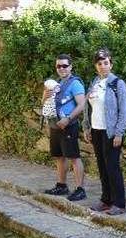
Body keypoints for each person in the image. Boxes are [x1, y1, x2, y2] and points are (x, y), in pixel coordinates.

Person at [84, 48, 126, 216]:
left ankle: (119, 203)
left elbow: (124, 110)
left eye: (106, 63)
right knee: (102, 167)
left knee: (112, 167)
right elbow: (87, 108)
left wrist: (119, 132)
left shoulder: (118, 83)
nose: (103, 66)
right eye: (99, 63)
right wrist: (87, 127)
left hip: (111, 132)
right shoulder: (95, 82)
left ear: (111, 64)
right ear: (95, 66)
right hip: (96, 130)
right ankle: (106, 200)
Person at [42, 53, 87, 202]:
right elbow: (44, 103)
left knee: (74, 157)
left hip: (68, 126)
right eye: (58, 66)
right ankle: (62, 186)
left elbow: (82, 104)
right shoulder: (55, 84)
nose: (61, 68)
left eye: (64, 66)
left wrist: (68, 119)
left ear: (70, 67)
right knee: (59, 156)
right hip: (55, 125)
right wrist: (45, 96)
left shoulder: (75, 84)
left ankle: (80, 189)